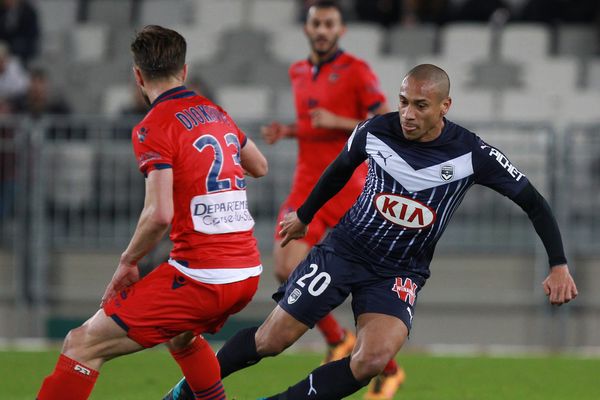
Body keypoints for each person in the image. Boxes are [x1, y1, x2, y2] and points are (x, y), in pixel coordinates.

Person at [171, 63, 578, 400]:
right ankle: (184, 393)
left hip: (399, 271)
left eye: (421, 105)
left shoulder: (473, 154)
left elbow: (534, 202)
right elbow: (338, 170)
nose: (408, 113)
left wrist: (558, 264)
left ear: (444, 106)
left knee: (372, 360)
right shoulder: (373, 131)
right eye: (403, 102)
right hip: (344, 251)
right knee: (271, 340)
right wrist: (306, 216)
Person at [164, 1, 405, 399]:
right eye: (316, 24)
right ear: (307, 30)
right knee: (284, 267)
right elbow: (316, 126)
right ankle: (339, 340)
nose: (322, 31)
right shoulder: (298, 71)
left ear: (340, 30)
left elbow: (385, 118)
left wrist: (338, 122)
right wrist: (290, 132)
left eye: (329, 24)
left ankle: (383, 365)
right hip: (307, 185)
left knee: (352, 280)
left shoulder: (357, 71)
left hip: (350, 188)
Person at [36, 25, 268, 400]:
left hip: (203, 277)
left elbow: (159, 214)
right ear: (185, 71)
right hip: (247, 272)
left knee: (81, 344)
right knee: (181, 336)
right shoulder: (215, 112)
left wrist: (128, 261)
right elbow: (259, 166)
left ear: (138, 76)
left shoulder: (153, 126)